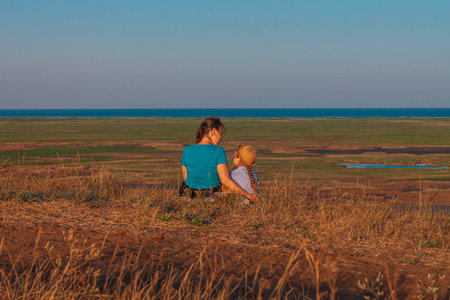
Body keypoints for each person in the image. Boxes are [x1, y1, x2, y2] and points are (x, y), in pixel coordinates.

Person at [180, 117, 258, 203]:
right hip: (210, 195)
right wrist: (249, 196)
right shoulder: (218, 150)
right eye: (220, 134)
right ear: (213, 131)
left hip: (188, 194)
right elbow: (225, 181)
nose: (221, 139)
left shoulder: (187, 150)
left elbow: (187, 179)